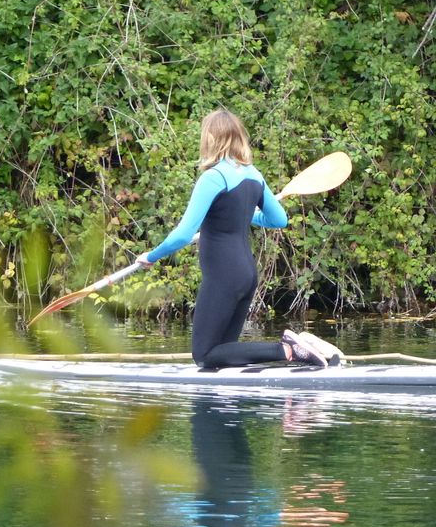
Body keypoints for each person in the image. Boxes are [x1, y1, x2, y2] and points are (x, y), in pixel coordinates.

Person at [136, 108, 329, 367]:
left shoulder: (213, 178)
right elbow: (278, 220)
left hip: (223, 277)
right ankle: (299, 347)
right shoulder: (254, 175)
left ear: (210, 138)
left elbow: (182, 235)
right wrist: (244, 213)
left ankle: (287, 350)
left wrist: (151, 256)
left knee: (204, 355)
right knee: (223, 354)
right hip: (246, 275)